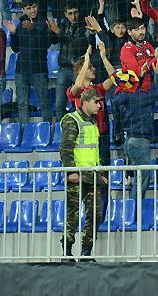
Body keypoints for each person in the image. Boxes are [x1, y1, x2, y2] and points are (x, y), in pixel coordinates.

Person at [109, 48, 158, 199]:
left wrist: (140, 77)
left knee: (137, 176)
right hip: (140, 141)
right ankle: (135, 207)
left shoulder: (124, 96)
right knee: (142, 179)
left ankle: (132, 206)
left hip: (129, 139)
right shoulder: (141, 97)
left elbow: (132, 91)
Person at [59, 89, 108, 259]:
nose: (99, 106)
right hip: (77, 176)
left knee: (95, 216)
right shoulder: (72, 120)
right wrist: (71, 171)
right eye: (96, 102)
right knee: (72, 215)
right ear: (85, 102)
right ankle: (67, 251)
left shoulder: (92, 123)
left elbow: (95, 153)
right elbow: (66, 149)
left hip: (92, 177)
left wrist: (100, 173)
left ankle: (86, 252)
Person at [5, 0, 58, 124]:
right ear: (23, 10)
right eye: (28, 8)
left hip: (39, 70)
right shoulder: (21, 24)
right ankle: (23, 133)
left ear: (37, 6)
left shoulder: (44, 23)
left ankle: (47, 132)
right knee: (22, 104)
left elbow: (46, 44)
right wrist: (13, 34)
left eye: (34, 7)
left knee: (44, 103)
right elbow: (15, 49)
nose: (32, 10)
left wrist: (34, 29)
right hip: (21, 70)